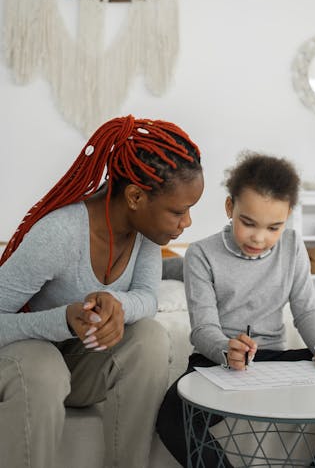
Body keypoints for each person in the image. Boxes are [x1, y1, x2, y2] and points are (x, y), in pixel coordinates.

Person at [156, 151, 315, 467]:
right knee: (171, 418)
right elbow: (203, 328)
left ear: (289, 215)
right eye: (248, 223)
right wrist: (227, 350)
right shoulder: (201, 254)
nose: (259, 238)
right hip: (218, 362)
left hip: (275, 361)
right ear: (229, 207)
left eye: (273, 227)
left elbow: (306, 310)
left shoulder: (293, 246)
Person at [0, 115, 203, 468]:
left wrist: (117, 305)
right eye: (179, 211)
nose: (187, 223)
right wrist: (64, 319)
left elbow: (148, 297)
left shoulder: (147, 234)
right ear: (136, 196)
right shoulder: (60, 234)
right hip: (28, 366)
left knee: (150, 337)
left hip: (80, 370)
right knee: (44, 366)